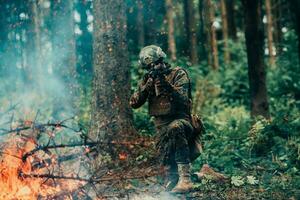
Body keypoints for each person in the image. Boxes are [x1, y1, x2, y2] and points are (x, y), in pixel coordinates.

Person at [129, 45, 196, 193]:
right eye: (150, 66)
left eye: (157, 63)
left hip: (182, 123)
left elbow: (184, 100)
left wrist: (166, 85)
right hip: (161, 130)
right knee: (164, 178)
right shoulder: (148, 79)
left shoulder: (178, 73)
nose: (155, 67)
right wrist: (147, 87)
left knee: (175, 127)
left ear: (162, 60)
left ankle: (186, 179)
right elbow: (134, 103)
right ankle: (176, 178)